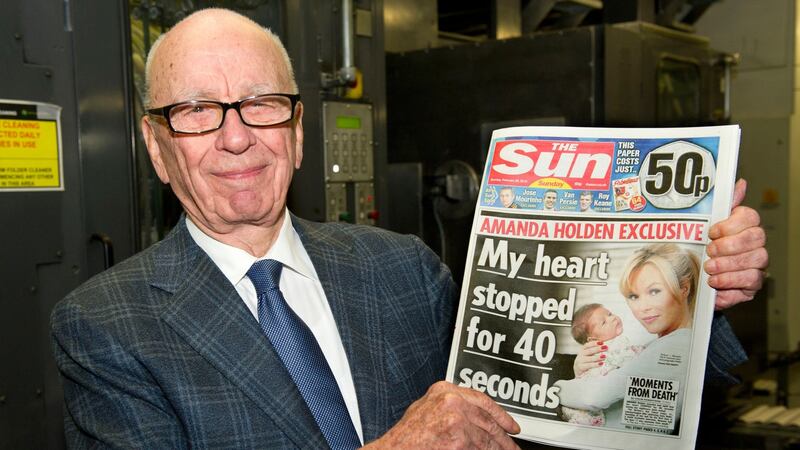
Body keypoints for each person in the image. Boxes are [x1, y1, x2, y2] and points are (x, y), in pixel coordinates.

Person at [50, 8, 768, 449]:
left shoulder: (401, 268)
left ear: (299, 131)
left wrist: (700, 300)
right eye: (199, 110)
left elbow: (553, 410)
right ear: (157, 146)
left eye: (262, 103)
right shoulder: (106, 326)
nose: (237, 138)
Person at [555, 244, 703, 431]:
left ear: (683, 289)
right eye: (634, 296)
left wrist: (554, 388)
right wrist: (582, 373)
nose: (643, 307)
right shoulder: (656, 344)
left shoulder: (677, 343)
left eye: (654, 291)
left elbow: (594, 397)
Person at [560, 303, 644, 426]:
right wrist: (642, 351)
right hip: (589, 390)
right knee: (590, 416)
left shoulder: (615, 343)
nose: (613, 318)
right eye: (604, 322)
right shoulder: (613, 344)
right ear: (593, 340)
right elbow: (629, 356)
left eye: (609, 314)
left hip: (587, 393)